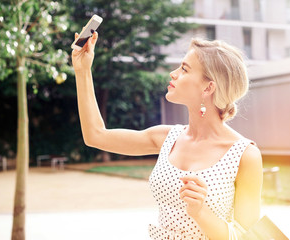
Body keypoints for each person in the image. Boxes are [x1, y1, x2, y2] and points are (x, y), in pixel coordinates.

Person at [72, 31, 262, 240]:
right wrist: (83, 71)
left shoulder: (245, 155)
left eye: (184, 69)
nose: (173, 73)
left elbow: (248, 237)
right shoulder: (166, 137)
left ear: (208, 87)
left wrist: (201, 212)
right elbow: (96, 136)